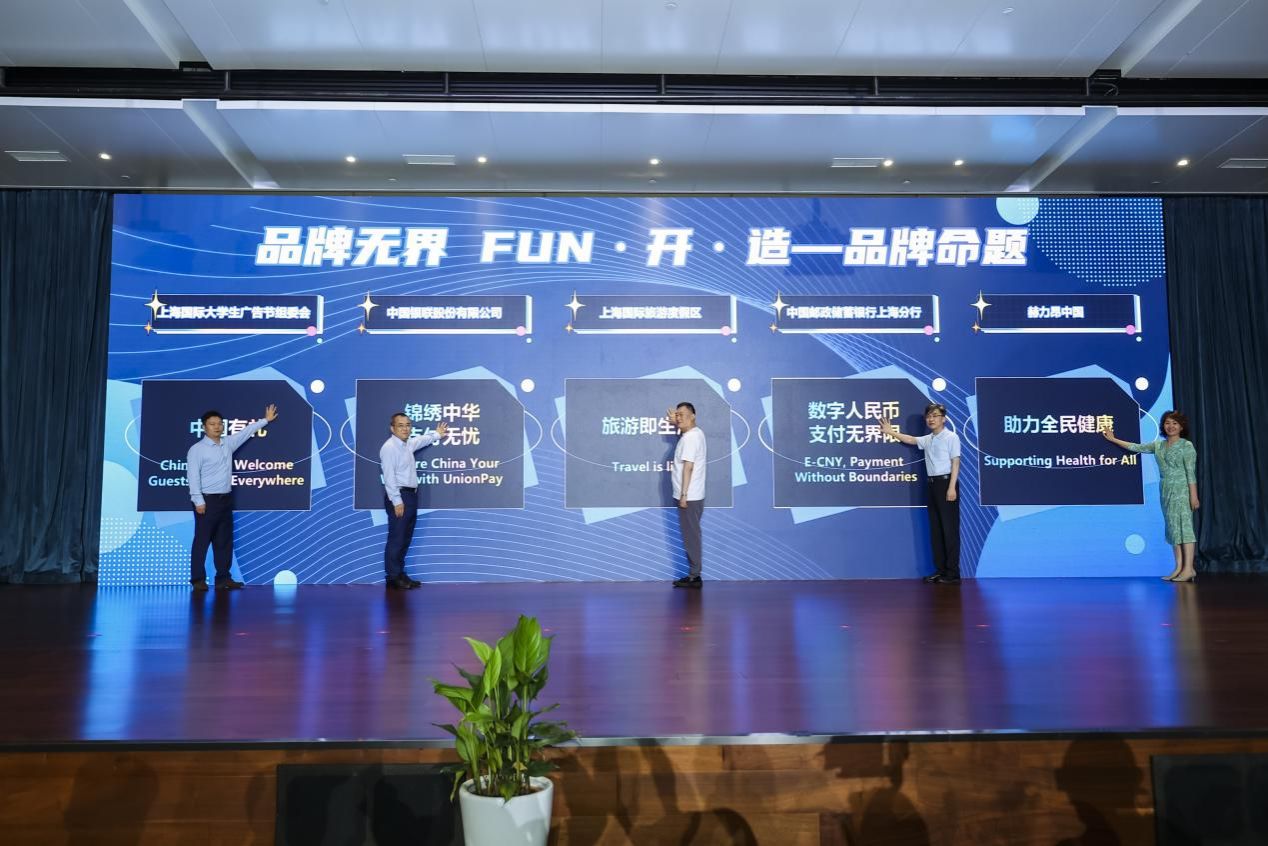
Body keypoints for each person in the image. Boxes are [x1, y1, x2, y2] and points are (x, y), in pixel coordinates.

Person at [187, 404, 278, 591]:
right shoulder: (197, 449)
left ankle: (223, 578)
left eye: (219, 423)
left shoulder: (228, 443)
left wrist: (266, 420)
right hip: (207, 501)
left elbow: (246, 432)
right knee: (202, 541)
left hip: (225, 500)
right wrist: (198, 501)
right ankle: (197, 579)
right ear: (204, 427)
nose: (217, 427)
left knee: (224, 541)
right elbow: (193, 476)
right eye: (212, 424)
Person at [1102, 411, 1199, 582]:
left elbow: (1190, 473)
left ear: (1181, 427)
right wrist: (1113, 439)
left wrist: (1194, 496)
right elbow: (1135, 447)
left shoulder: (1186, 446)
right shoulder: (1158, 445)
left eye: (1175, 423)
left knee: (1185, 528)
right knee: (1172, 529)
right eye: (1167, 423)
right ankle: (1178, 567)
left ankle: (1189, 569)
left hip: (1182, 490)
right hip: (1166, 490)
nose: (1171, 426)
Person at [878, 403, 962, 584]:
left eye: (935, 415)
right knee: (936, 530)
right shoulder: (928, 439)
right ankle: (940, 570)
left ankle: (953, 574)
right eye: (928, 416)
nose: (931, 419)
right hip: (931, 485)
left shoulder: (951, 437)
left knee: (949, 530)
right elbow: (911, 440)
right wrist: (890, 432)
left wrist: (952, 487)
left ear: (943, 419)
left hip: (947, 484)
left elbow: (956, 462)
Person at [380, 413, 449, 590]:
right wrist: (397, 501)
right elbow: (388, 477)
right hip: (399, 497)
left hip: (410, 496)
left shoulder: (407, 444)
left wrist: (437, 434)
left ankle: (399, 574)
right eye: (400, 425)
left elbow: (421, 440)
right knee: (397, 538)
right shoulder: (389, 448)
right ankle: (392, 576)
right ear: (392, 428)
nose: (405, 428)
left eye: (408, 425)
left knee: (405, 537)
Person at [668, 402, 707, 588]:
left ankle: (694, 576)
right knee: (691, 535)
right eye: (677, 415)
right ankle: (694, 574)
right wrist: (677, 424)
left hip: (689, 498)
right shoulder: (694, 434)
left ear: (693, 416)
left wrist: (684, 495)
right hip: (691, 496)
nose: (678, 417)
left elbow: (688, 467)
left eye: (682, 414)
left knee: (691, 537)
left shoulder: (691, 438)